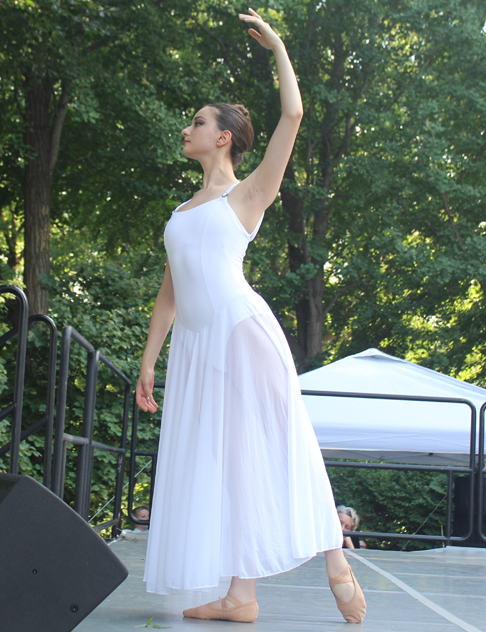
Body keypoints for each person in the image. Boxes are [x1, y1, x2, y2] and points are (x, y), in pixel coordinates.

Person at [136, 8, 366, 625]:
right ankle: (242, 596)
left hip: (241, 331)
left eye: (197, 122)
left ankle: (334, 557)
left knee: (280, 441)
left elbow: (292, 116)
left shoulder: (247, 195)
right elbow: (170, 293)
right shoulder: (182, 212)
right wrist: (148, 362)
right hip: (198, 344)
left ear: (223, 138)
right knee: (232, 465)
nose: (187, 128)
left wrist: (279, 49)